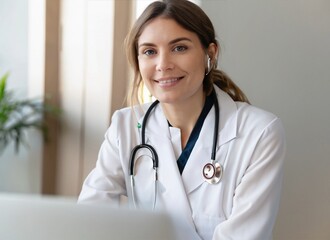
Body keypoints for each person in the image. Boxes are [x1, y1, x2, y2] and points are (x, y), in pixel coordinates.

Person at [78, 0, 286, 239]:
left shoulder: (260, 132)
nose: (163, 65)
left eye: (179, 48)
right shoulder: (125, 126)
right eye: (149, 51)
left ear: (210, 53)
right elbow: (90, 220)